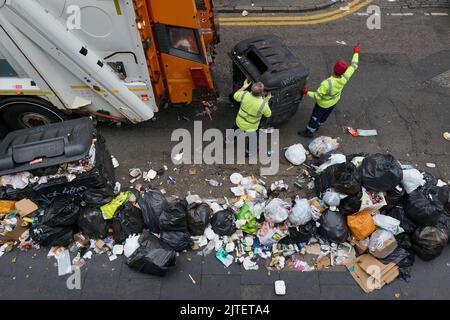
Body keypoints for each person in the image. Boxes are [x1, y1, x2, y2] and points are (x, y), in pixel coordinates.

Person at [299, 44, 360, 138]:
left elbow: (317, 96)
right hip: (333, 102)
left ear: (334, 69)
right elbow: (354, 65)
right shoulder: (345, 77)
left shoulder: (326, 83)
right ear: (344, 71)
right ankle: (318, 125)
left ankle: (309, 131)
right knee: (324, 116)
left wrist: (307, 92)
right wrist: (356, 52)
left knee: (315, 117)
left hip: (322, 105)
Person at [231, 79, 272, 155]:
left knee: (234, 131)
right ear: (262, 93)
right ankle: (248, 152)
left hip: (240, 122)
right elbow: (268, 114)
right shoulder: (263, 104)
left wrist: (244, 86)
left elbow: (235, 95)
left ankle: (228, 141)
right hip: (252, 127)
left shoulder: (244, 94)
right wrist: (266, 99)